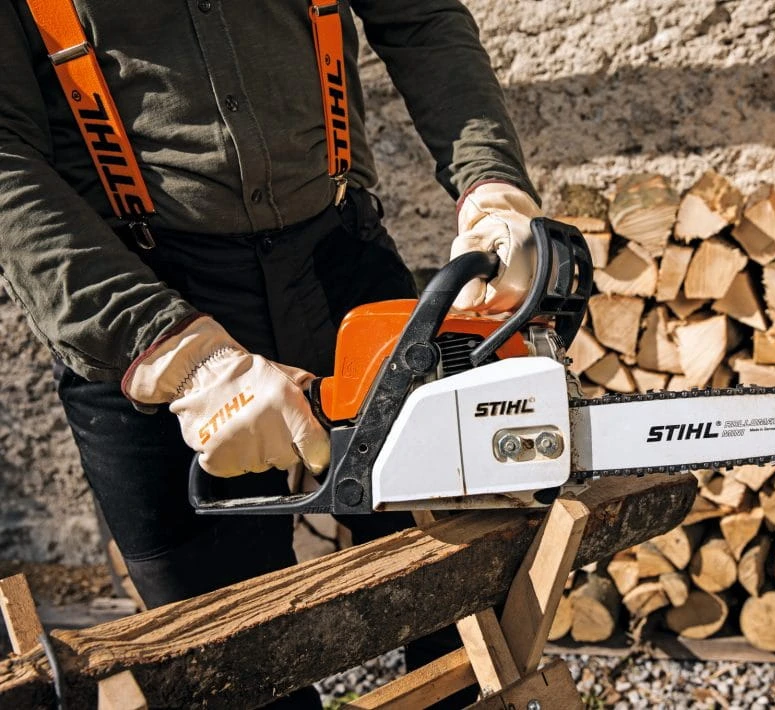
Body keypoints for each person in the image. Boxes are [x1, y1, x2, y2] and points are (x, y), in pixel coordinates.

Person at [0, 1, 542, 707]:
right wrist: (169, 350)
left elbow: (420, 16)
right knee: (228, 662)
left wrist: (491, 183)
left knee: (471, 599)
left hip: (338, 260)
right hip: (137, 288)